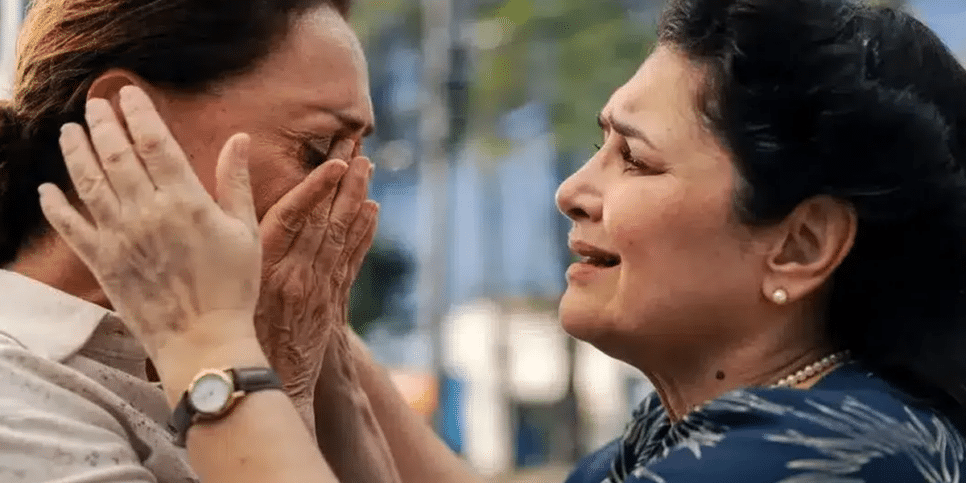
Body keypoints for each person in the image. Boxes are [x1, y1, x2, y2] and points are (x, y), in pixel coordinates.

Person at [301, 0, 966, 481]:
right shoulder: (700, 428)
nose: (571, 190)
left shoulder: (807, 456)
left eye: (636, 160)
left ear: (801, 243)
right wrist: (321, 320)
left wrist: (224, 361)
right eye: (600, 146)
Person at [0, 0, 399, 482]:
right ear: (126, 123)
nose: (349, 200)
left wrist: (310, 365)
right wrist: (221, 354)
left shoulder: (208, 352)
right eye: (318, 151)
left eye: (359, 161)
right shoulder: (18, 400)